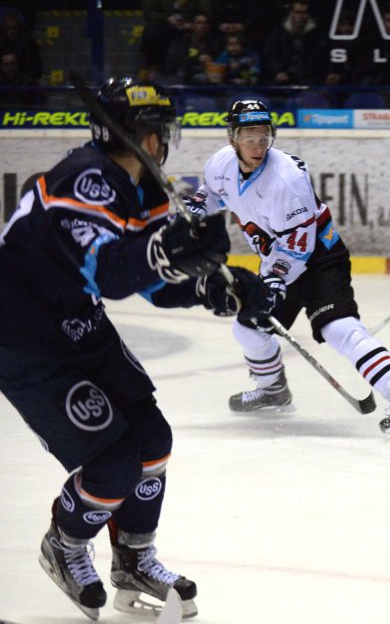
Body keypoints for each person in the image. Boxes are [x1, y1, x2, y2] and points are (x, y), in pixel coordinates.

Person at [0, 77, 269, 619]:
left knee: (152, 441)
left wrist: (213, 287)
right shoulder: (84, 179)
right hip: (24, 339)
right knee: (113, 466)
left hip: (79, 322)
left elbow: (152, 283)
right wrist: (165, 251)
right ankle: (65, 544)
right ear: (144, 136)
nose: (164, 140)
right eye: (159, 130)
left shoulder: (143, 185)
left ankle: (134, 558)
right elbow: (110, 271)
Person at [191, 99, 390, 432]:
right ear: (233, 139)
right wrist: (199, 205)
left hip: (320, 260)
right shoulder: (220, 164)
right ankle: (272, 390)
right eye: (249, 138)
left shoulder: (286, 179)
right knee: (248, 327)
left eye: (263, 137)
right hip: (278, 263)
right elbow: (217, 193)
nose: (258, 146)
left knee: (339, 329)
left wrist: (275, 280)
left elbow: (298, 245)